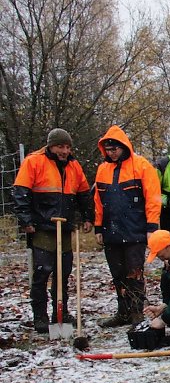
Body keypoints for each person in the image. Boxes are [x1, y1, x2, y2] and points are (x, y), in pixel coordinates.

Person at [13, 129, 93, 333]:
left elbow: (84, 194)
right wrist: (26, 220)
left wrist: (87, 217)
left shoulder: (74, 166)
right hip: (42, 227)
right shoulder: (34, 162)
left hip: (65, 227)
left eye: (67, 147)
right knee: (42, 272)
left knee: (63, 273)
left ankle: (62, 312)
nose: (64, 151)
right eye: (60, 146)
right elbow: (21, 193)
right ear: (50, 146)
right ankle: (40, 316)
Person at [93, 125, 162, 327]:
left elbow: (153, 197)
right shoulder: (102, 169)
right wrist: (98, 227)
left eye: (114, 149)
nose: (111, 153)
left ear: (123, 146)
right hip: (111, 231)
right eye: (108, 149)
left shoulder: (141, 165)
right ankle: (123, 313)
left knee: (135, 274)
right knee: (118, 274)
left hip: (135, 230)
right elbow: (98, 201)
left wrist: (152, 226)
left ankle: (136, 312)